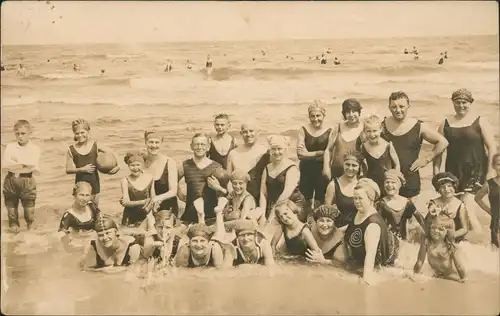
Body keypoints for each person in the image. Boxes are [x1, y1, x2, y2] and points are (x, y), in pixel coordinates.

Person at [434, 88, 496, 232]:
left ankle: (481, 243)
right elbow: (437, 151)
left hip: (477, 169)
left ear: (470, 103)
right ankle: (494, 222)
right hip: (453, 172)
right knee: (460, 207)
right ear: (452, 103)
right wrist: (436, 173)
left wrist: (490, 172)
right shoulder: (445, 124)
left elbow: (492, 147)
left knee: (467, 206)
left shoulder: (480, 121)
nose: (461, 105)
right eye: (457, 102)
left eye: (464, 102)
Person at [381, 91, 448, 200]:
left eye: (402, 106)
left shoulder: (419, 126)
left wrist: (426, 158)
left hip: (410, 179)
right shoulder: (382, 125)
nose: (398, 110)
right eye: (394, 107)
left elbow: (443, 142)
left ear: (408, 106)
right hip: (387, 180)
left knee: (410, 214)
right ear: (389, 107)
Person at [344, 178, 399, 285]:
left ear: (371, 199)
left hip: (386, 265)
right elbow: (352, 228)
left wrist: (366, 280)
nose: (357, 202)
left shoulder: (372, 226)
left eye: (360, 198)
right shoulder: (360, 211)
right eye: (355, 198)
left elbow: (370, 256)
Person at [65, 119, 120, 205]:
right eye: (77, 133)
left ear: (88, 131)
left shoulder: (95, 145)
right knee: (80, 207)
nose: (80, 135)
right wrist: (82, 169)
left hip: (94, 182)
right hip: (80, 183)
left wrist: (118, 165)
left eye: (82, 132)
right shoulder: (71, 149)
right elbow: (68, 169)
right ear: (74, 135)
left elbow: (113, 152)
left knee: (94, 208)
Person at [178, 133, 229, 225]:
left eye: (202, 144)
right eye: (196, 144)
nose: (199, 147)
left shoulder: (216, 167)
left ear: (208, 147)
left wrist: (217, 188)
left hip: (211, 214)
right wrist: (180, 194)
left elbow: (226, 193)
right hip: (191, 213)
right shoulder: (185, 165)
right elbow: (173, 181)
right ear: (191, 146)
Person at [2, 120, 41, 233]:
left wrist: (16, 163)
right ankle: (14, 238)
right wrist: (24, 164)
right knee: (12, 213)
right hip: (11, 180)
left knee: (29, 214)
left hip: (27, 181)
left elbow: (34, 166)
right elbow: (5, 166)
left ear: (30, 133)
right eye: (17, 133)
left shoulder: (35, 148)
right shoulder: (10, 147)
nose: (20, 136)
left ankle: (30, 236)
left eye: (23, 133)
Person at [260, 135, 305, 223]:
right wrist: (262, 214)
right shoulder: (267, 167)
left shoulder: (292, 167)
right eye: (273, 149)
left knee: (275, 223)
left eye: (279, 149)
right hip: (275, 204)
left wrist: (271, 216)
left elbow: (286, 194)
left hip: (292, 204)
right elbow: (263, 193)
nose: (276, 152)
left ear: (285, 149)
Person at [297, 101, 332, 211]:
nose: (315, 119)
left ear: (323, 115)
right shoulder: (303, 129)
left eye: (318, 116)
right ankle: (306, 221)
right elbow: (300, 155)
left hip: (322, 169)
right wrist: (319, 153)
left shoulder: (330, 130)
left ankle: (318, 222)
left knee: (320, 201)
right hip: (306, 169)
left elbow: (330, 152)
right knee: (306, 201)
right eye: (312, 116)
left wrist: (308, 154)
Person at [226, 122, 270, 205]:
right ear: (241, 134)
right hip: (238, 197)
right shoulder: (233, 153)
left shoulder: (265, 152)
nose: (248, 134)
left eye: (251, 131)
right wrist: (232, 193)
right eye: (245, 132)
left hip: (260, 196)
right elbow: (228, 179)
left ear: (258, 132)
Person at [413, 215, 467, 283]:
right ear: (429, 227)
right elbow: (420, 262)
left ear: (447, 232)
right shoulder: (426, 242)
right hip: (435, 274)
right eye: (433, 227)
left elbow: (459, 267)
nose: (436, 231)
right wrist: (414, 275)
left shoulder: (450, 246)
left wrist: (464, 279)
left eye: (441, 229)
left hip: (450, 276)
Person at [377, 170, 425, 241]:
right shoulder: (381, 204)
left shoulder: (407, 202)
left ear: (399, 185)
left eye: (393, 182)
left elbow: (420, 218)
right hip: (386, 241)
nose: (390, 185)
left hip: (403, 241)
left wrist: (428, 233)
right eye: (387, 182)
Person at [323, 98, 363, 180]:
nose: (351, 115)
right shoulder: (338, 128)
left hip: (355, 173)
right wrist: (326, 168)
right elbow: (328, 150)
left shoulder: (364, 128)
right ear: (344, 114)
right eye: (348, 112)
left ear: (359, 112)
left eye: (354, 111)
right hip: (337, 172)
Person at [142, 131, 178, 215]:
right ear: (145, 143)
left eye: (157, 142)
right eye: (151, 142)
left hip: (167, 208)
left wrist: (156, 199)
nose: (154, 145)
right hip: (147, 208)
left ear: (161, 143)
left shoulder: (169, 162)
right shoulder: (140, 162)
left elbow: (173, 191)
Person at [425, 172, 468, 243]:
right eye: (442, 187)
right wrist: (433, 212)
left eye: (449, 186)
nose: (446, 189)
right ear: (438, 190)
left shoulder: (460, 205)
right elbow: (428, 222)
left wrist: (453, 234)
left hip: (453, 237)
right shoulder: (434, 202)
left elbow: (465, 229)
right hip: (436, 235)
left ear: (454, 187)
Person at [360, 115, 400, 190]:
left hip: (387, 185)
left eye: (375, 131)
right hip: (371, 185)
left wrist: (395, 180)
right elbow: (363, 168)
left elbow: (397, 165)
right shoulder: (363, 147)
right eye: (368, 131)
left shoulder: (388, 146)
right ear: (364, 131)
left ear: (380, 129)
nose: (372, 135)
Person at [324, 151, 362, 229]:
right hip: (339, 229)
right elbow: (326, 213)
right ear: (343, 164)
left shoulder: (363, 184)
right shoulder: (333, 185)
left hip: (358, 229)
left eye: (354, 165)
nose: (350, 168)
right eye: (347, 164)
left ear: (359, 167)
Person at [120, 151, 156, 228]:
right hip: (130, 216)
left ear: (143, 165)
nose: (135, 168)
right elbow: (126, 203)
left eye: (138, 165)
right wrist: (144, 202)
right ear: (128, 166)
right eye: (132, 165)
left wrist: (154, 207)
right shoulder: (125, 180)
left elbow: (153, 198)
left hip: (146, 214)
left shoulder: (150, 178)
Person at [474, 153, 500, 248]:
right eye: (498, 164)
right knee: (496, 252)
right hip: (496, 224)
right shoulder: (489, 184)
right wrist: (490, 211)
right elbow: (477, 198)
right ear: (493, 166)